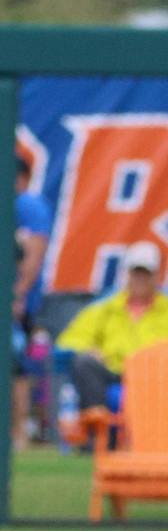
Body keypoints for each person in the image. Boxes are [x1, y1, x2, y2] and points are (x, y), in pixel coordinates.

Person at [55, 243, 168, 410]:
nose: (140, 279)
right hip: (114, 370)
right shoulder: (105, 307)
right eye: (136, 273)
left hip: (156, 376)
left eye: (146, 274)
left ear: (157, 276)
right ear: (127, 274)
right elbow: (69, 341)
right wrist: (88, 349)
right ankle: (97, 424)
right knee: (84, 362)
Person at [13, 153, 52, 449]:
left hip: (19, 302)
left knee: (17, 363)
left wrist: (18, 294)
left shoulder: (28, 205)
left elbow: (34, 254)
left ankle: (20, 433)